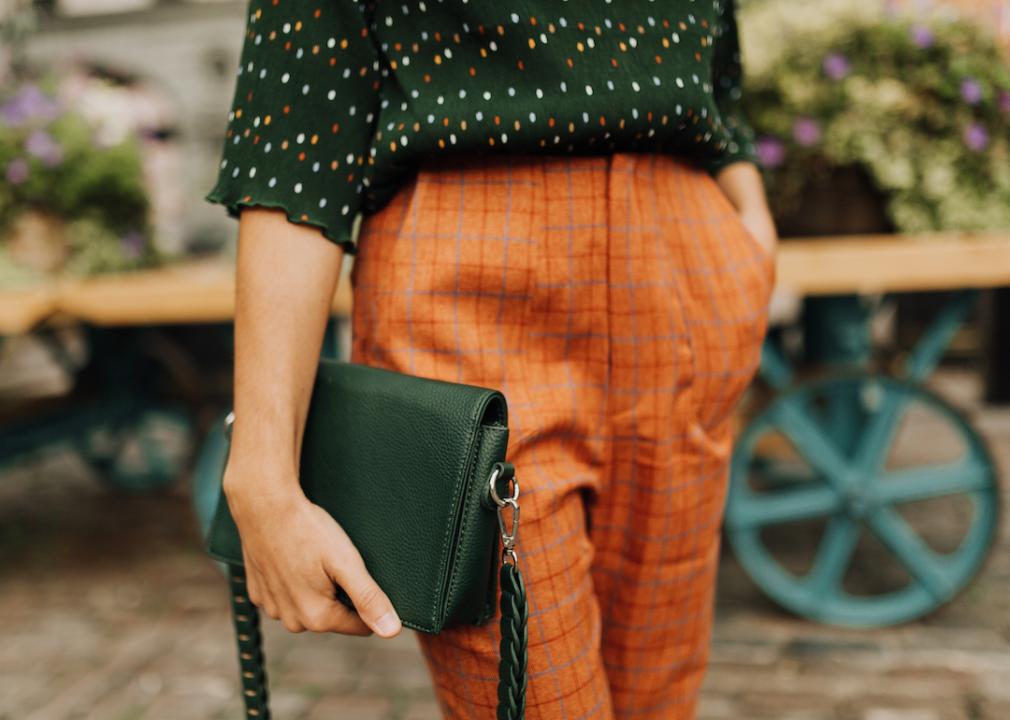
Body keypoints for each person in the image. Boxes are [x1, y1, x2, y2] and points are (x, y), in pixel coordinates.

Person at [205, 1, 778, 717]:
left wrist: (750, 231)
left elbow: (719, 81)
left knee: (661, 698)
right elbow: (295, 152)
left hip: (685, 260)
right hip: (469, 275)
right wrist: (261, 477)